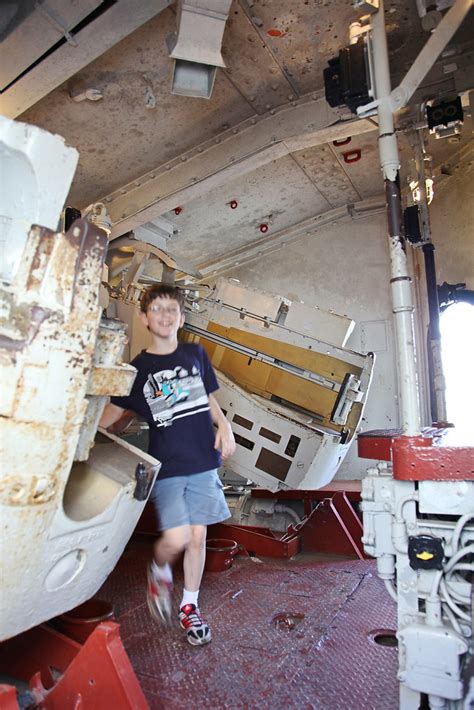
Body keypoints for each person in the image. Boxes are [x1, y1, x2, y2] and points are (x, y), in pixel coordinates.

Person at [100, 283, 236, 646]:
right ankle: (159, 568)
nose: (164, 315)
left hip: (203, 461)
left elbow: (208, 398)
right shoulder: (137, 370)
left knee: (197, 535)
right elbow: (108, 417)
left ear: (182, 317)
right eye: (157, 309)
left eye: (171, 309)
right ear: (145, 318)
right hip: (170, 466)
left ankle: (189, 608)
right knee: (176, 538)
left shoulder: (195, 354)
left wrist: (224, 426)